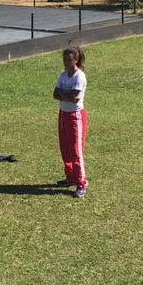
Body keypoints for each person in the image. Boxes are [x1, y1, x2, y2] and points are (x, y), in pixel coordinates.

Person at [53, 46, 88, 198]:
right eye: (64, 60)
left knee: (76, 150)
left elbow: (75, 99)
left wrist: (63, 94)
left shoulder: (79, 77)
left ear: (76, 60)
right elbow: (55, 94)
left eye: (69, 60)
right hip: (63, 114)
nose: (66, 63)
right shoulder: (63, 75)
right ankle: (70, 177)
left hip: (75, 116)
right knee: (65, 147)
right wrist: (65, 95)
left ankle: (81, 183)